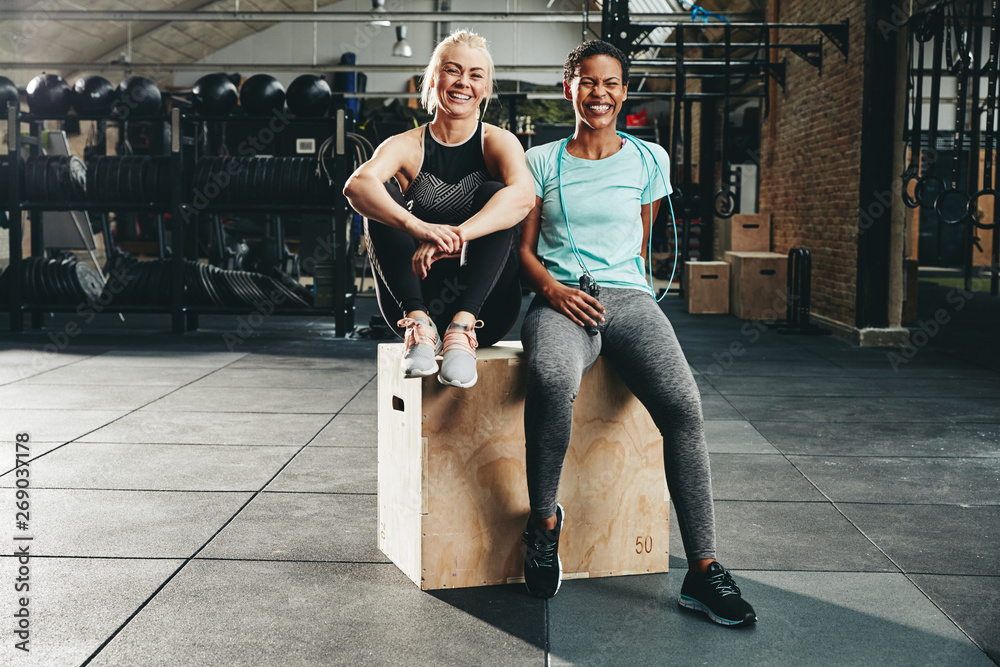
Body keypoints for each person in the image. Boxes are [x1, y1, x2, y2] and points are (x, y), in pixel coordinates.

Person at [517, 40, 757, 628]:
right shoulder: (538, 161)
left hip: (628, 299)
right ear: (567, 86)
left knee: (683, 407)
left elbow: (639, 243)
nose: (599, 93)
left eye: (611, 83)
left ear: (625, 92)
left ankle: (702, 571)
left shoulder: (651, 159)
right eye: (587, 81)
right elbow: (521, 251)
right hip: (560, 298)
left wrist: (625, 296)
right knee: (550, 378)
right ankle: (544, 524)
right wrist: (554, 292)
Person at [344, 29, 534, 388]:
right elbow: (356, 186)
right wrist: (420, 228)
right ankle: (419, 327)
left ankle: (461, 331)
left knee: (499, 193)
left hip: (485, 310)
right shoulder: (406, 145)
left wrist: (457, 236)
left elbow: (523, 197)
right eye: (453, 70)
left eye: (475, 75)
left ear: (485, 88)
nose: (463, 82)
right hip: (418, 301)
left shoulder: (498, 142)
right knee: (379, 194)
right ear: (434, 77)